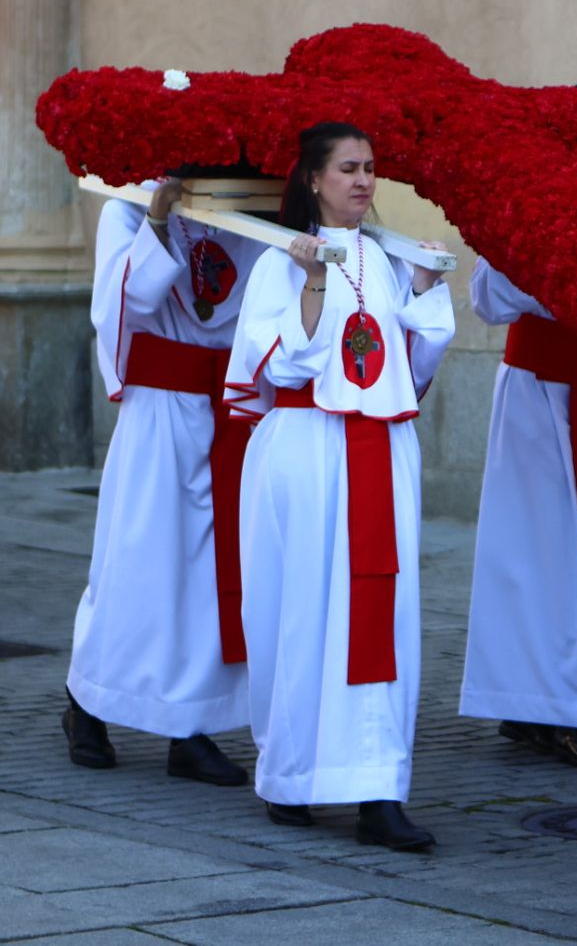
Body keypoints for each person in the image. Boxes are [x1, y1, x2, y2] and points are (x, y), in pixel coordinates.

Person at [225, 122, 454, 850]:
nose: (363, 180)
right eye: (348, 168)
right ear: (313, 179)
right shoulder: (276, 263)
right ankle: (293, 774)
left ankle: (375, 788)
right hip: (306, 454)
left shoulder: (387, 259)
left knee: (380, 621)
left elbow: (408, 371)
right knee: (301, 613)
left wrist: (422, 291)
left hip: (379, 452)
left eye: (371, 168)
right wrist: (314, 277)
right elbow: (287, 362)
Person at [64, 175, 266, 786]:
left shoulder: (249, 209)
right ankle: (86, 702)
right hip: (160, 406)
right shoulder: (126, 209)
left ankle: (189, 729)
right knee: (134, 563)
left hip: (223, 406)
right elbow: (124, 306)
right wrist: (156, 218)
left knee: (207, 572)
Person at [456, 254, 577, 767]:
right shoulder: (526, 213)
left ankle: (548, 702)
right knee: (530, 554)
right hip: (535, 391)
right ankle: (544, 704)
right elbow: (487, 300)